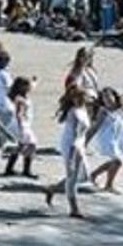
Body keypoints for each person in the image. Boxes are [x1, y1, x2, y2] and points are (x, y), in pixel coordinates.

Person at [45, 86, 92, 218]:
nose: (79, 99)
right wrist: (72, 154)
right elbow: (75, 134)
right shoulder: (74, 112)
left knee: (84, 176)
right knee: (72, 176)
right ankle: (74, 209)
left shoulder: (83, 110)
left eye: (81, 96)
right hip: (72, 145)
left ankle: (52, 188)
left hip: (79, 144)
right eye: (75, 97)